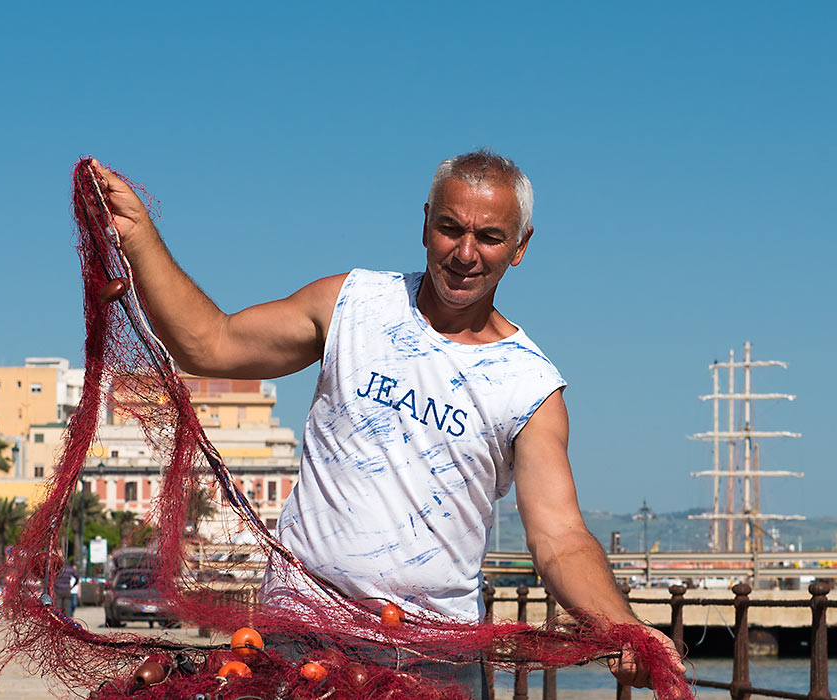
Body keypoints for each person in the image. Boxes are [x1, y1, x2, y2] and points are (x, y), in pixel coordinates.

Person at [92, 150, 686, 695]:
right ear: (426, 222)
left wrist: (624, 626)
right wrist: (141, 235)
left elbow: (559, 538)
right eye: (451, 228)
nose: (466, 252)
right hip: (298, 635)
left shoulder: (529, 385)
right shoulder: (351, 305)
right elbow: (209, 343)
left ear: (521, 246)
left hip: (430, 658)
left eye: (490, 236)